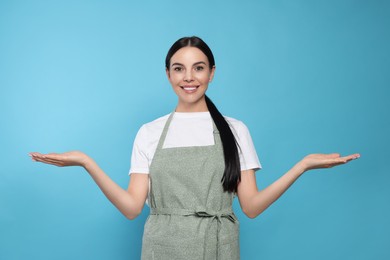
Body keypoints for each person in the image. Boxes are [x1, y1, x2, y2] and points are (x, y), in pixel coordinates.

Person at [29, 36, 360, 260]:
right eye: (179, 68)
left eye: (198, 67)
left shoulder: (235, 130)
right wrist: (87, 162)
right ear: (168, 74)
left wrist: (300, 166)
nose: (189, 77)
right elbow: (132, 208)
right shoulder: (149, 132)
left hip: (219, 247)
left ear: (212, 73)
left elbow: (252, 206)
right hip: (162, 248)